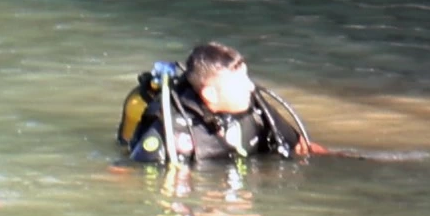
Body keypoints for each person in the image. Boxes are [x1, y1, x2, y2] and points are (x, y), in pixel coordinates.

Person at [118, 41, 309, 163]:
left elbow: (302, 148)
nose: (251, 87)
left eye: (246, 78)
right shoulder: (170, 132)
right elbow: (130, 175)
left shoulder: (255, 108)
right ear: (210, 94)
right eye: (239, 82)